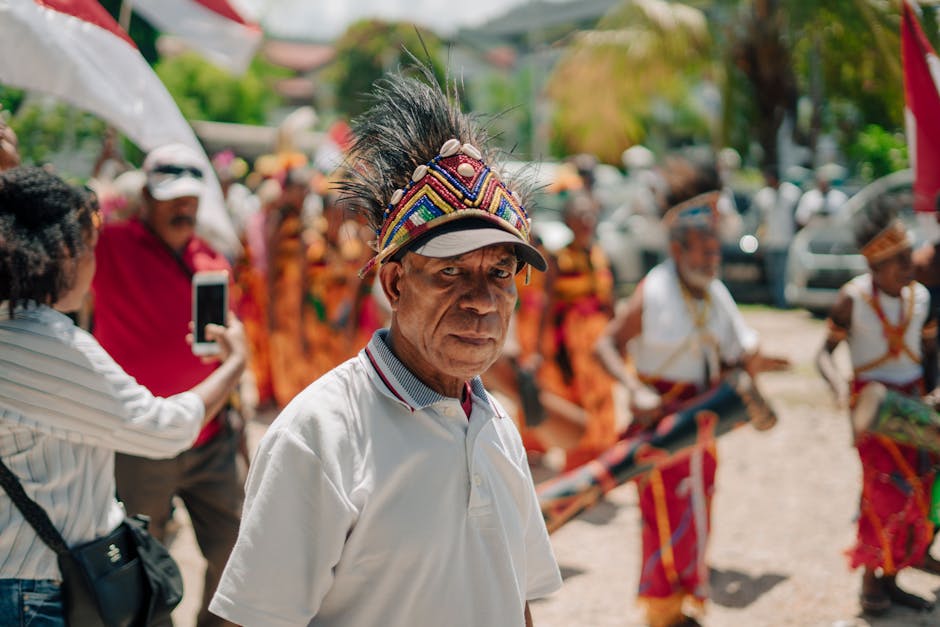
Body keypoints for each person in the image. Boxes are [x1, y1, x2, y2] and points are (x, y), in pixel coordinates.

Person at [209, 68, 562, 627]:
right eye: (450, 272)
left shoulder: (495, 422)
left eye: (500, 272)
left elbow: (512, 597)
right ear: (395, 283)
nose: (480, 301)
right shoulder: (319, 435)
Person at [0, 166, 246, 625]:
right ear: (66, 254)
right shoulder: (46, 341)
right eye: (90, 250)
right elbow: (162, 429)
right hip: (35, 590)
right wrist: (233, 366)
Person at [594, 186, 767, 627]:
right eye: (703, 251)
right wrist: (634, 390)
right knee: (662, 513)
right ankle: (660, 611)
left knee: (700, 506)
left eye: (716, 251)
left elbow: (737, 351)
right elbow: (606, 345)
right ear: (676, 249)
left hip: (706, 421)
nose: (713, 259)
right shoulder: (653, 289)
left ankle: (685, 600)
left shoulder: (714, 290)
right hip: (662, 425)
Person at [91, 143, 245, 627]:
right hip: (141, 441)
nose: (183, 207)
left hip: (209, 437)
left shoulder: (213, 262)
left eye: (190, 197)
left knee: (238, 549)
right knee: (145, 563)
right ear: (146, 199)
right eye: (171, 197)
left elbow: (225, 339)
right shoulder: (109, 246)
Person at [816, 196, 939, 615]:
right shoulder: (852, 299)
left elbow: (930, 351)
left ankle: (892, 577)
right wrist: (835, 385)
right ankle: (870, 582)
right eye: (900, 260)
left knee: (920, 491)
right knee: (882, 493)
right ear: (875, 267)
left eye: (909, 256)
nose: (909, 265)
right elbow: (824, 353)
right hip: (872, 406)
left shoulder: (920, 298)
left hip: (913, 401)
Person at [539, 191, 618, 470]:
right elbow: (548, 307)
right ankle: (579, 467)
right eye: (580, 214)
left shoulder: (601, 256)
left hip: (601, 341)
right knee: (579, 400)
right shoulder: (560, 260)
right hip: (572, 342)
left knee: (604, 401)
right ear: (568, 221)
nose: (586, 220)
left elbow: (610, 301)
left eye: (590, 214)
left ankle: (605, 466)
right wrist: (542, 348)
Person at [753, 165, 801, 308]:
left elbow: (798, 217)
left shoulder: (791, 193)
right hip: (770, 241)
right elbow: (761, 221)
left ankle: (783, 302)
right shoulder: (763, 196)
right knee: (773, 273)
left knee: (784, 273)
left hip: (786, 240)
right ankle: (775, 300)